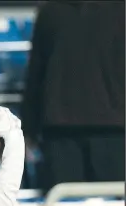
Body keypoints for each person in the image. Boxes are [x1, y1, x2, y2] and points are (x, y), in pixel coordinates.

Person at [21, 1, 125, 194]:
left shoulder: (50, 11)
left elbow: (35, 75)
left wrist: (29, 130)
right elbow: (36, 74)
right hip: (111, 133)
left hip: (62, 134)